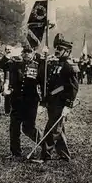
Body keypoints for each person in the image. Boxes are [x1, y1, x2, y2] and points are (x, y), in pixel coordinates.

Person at [33, 33, 79, 163]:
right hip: (52, 102)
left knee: (51, 129)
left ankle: (44, 156)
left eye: (60, 49)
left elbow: (73, 88)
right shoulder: (55, 63)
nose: (57, 51)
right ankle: (64, 155)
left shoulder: (70, 66)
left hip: (61, 103)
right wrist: (43, 59)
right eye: (56, 49)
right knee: (58, 128)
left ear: (67, 51)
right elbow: (43, 77)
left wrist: (68, 105)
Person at [4, 45, 42, 159]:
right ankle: (15, 152)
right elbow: (2, 64)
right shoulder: (16, 65)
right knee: (14, 127)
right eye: (24, 52)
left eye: (29, 52)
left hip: (30, 102)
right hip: (17, 101)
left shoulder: (38, 66)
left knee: (28, 128)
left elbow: (42, 83)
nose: (26, 54)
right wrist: (9, 56)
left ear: (33, 53)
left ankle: (44, 144)